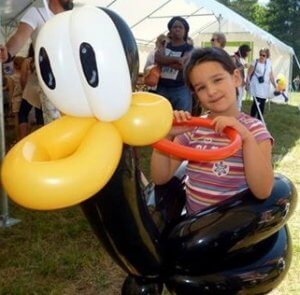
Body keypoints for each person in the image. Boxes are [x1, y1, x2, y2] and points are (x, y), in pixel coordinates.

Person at [151, 47, 274, 216]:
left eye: (217, 80)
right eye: (201, 88)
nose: (211, 91)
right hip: (196, 228)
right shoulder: (193, 128)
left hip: (234, 228)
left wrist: (245, 138)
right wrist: (168, 135)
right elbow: (160, 177)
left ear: (236, 78)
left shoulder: (255, 130)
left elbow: (263, 190)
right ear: (195, 94)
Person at [0, 0, 74, 124]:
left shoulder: (73, 17)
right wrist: (8, 54)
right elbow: (18, 38)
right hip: (52, 86)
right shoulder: (37, 13)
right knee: (56, 128)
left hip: (76, 83)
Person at [154, 16, 194, 112]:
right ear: (170, 30)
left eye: (180, 27)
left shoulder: (190, 48)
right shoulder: (164, 45)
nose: (177, 29)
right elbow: (157, 58)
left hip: (181, 89)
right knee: (160, 116)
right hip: (162, 88)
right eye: (174, 27)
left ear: (185, 31)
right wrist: (178, 59)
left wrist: (164, 61)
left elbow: (184, 66)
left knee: (182, 119)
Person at [18, 44, 44, 139]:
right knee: (41, 116)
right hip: (42, 91)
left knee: (23, 113)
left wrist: (24, 90)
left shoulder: (27, 61)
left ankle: (23, 138)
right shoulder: (43, 60)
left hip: (30, 90)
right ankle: (42, 139)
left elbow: (23, 79)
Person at [247, 48, 276, 121]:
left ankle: (260, 121)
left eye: (263, 55)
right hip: (256, 86)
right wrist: (247, 84)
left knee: (262, 104)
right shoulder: (255, 62)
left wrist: (275, 85)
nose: (261, 57)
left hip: (265, 87)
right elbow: (249, 74)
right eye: (260, 55)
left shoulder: (269, 63)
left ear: (267, 56)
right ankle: (252, 119)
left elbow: (271, 75)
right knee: (256, 103)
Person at [232, 44, 251, 110]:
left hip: (241, 82)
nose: (248, 54)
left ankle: (237, 115)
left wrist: (244, 81)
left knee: (239, 102)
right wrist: (243, 67)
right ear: (244, 51)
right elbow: (232, 70)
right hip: (236, 83)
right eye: (247, 52)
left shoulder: (241, 59)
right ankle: (235, 115)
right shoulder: (233, 58)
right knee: (237, 101)